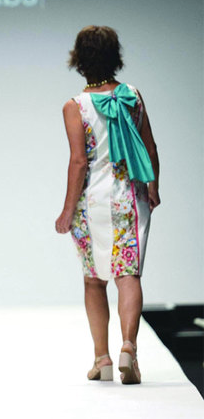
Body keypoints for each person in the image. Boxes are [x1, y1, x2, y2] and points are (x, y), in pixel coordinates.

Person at [55, 25, 160, 386]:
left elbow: (78, 162)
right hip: (130, 196)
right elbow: (150, 147)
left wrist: (67, 210)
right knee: (128, 274)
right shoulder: (132, 95)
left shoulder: (75, 106)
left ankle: (102, 358)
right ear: (115, 56)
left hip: (93, 202)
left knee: (94, 279)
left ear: (79, 60)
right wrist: (153, 187)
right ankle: (129, 347)